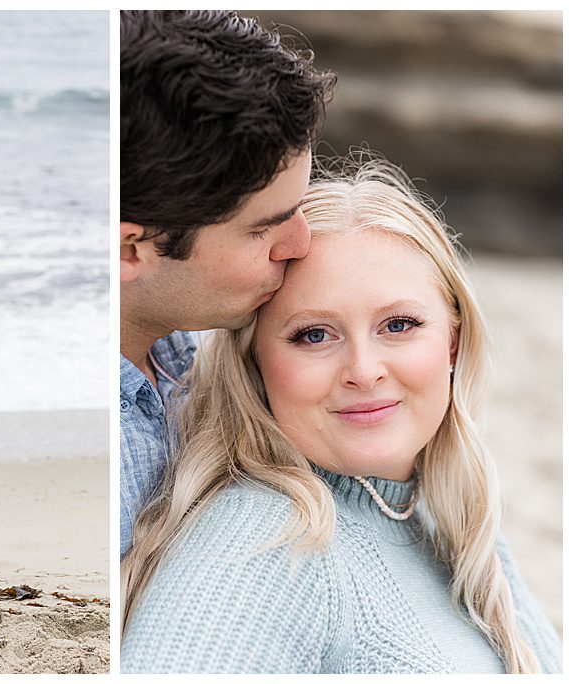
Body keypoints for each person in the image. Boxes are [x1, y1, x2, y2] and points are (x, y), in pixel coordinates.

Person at [120, 158, 562, 673]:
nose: (363, 370)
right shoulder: (265, 544)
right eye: (314, 335)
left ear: (453, 339)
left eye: (398, 324)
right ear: (256, 366)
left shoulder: (452, 511)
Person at [119, 9, 336, 557]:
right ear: (130, 250)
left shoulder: (188, 342)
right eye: (265, 228)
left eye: (300, 207)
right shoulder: (116, 465)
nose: (300, 243)